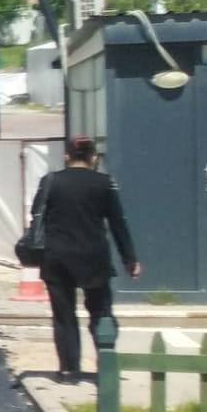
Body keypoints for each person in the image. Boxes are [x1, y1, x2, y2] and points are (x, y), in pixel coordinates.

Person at [40, 135, 140, 384]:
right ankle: (105, 364)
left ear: (67, 156)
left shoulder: (51, 181)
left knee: (64, 315)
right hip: (93, 255)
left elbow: (36, 216)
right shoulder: (104, 183)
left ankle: (69, 370)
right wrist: (130, 258)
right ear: (94, 158)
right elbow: (118, 223)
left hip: (57, 256)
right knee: (101, 311)